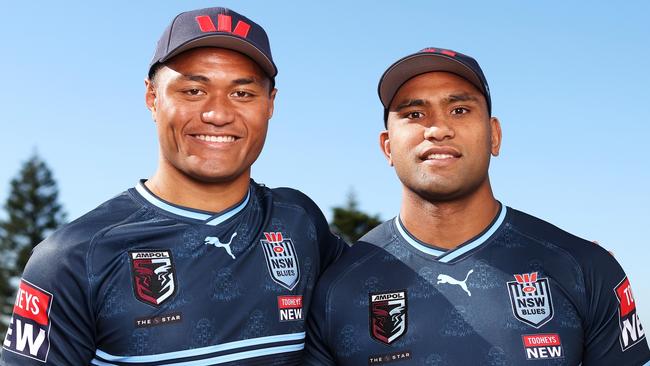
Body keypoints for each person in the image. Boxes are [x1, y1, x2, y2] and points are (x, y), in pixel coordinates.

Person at [2, 7, 345, 365]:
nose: (218, 114)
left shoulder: (298, 221)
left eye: (242, 94)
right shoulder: (74, 257)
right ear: (152, 97)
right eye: (194, 90)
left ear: (271, 104)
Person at [305, 47, 650, 365]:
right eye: (414, 113)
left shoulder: (583, 267)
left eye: (459, 110)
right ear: (387, 147)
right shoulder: (338, 287)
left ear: (494, 135)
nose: (438, 129)